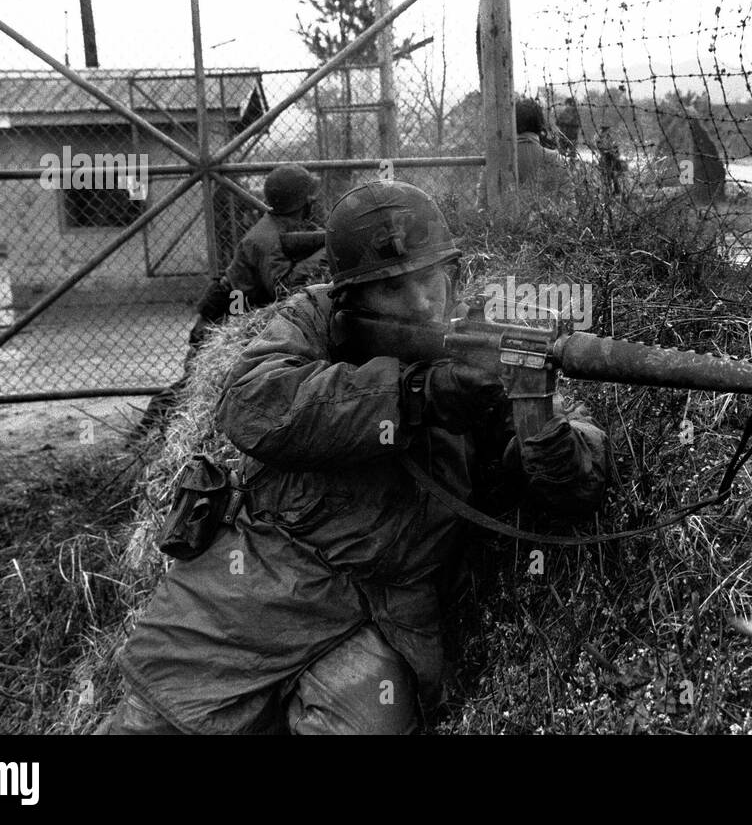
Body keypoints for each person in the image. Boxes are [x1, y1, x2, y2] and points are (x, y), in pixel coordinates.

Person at [105, 180, 609, 734]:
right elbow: (253, 404)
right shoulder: (314, 319)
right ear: (351, 297)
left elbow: (574, 482)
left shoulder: (484, 336)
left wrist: (534, 415)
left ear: (453, 272)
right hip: (265, 572)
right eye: (391, 289)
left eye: (427, 278)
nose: (419, 302)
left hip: (382, 610)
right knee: (160, 720)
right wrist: (414, 394)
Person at [131, 164, 326, 441]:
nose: (314, 203)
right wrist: (322, 254)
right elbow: (284, 288)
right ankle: (141, 437)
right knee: (193, 387)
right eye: (310, 198)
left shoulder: (286, 228)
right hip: (219, 321)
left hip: (234, 313)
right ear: (302, 202)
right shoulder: (267, 238)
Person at [515, 98, 567, 193]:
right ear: (541, 123)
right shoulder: (553, 158)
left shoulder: (499, 158)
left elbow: (481, 202)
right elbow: (567, 199)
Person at [596, 126, 626, 197]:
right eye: (605, 130)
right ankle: (608, 191)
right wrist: (608, 151)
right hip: (605, 159)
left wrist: (614, 152)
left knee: (614, 175)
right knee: (607, 175)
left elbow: (616, 149)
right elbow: (600, 148)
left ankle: (616, 190)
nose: (607, 132)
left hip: (612, 159)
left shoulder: (610, 137)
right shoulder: (599, 138)